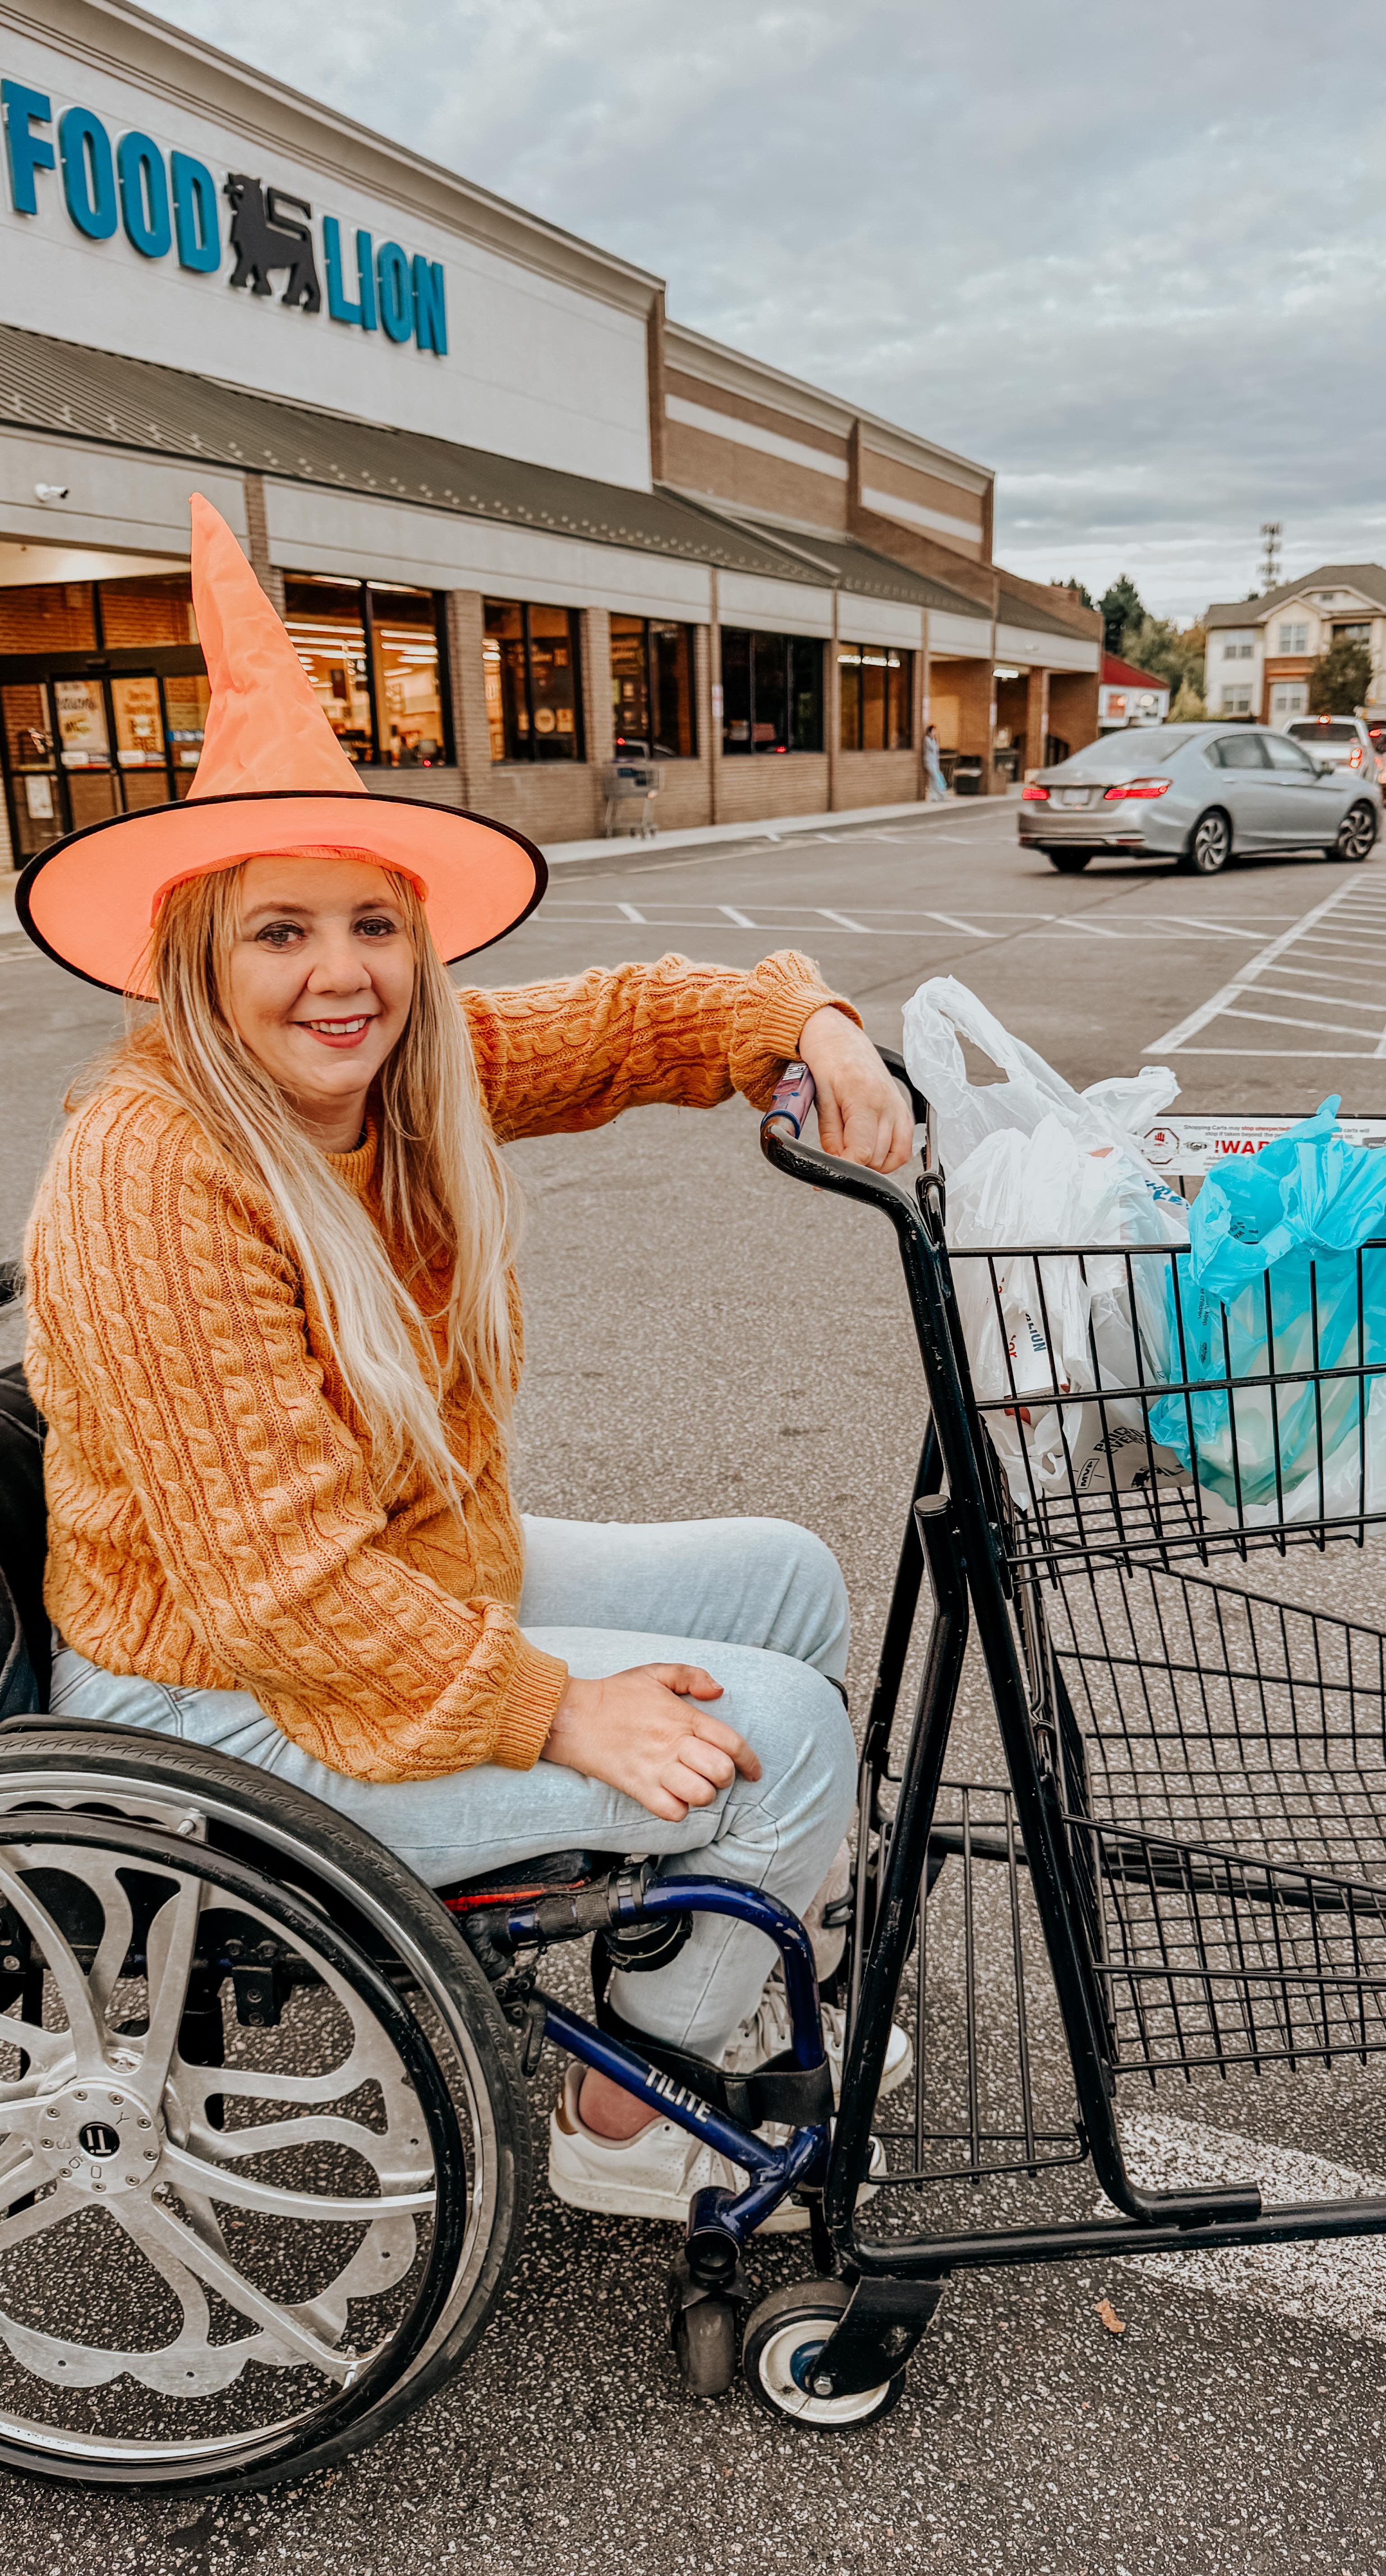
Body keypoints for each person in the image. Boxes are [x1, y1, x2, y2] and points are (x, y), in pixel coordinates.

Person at [20, 497, 914, 2227]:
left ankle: (686, 1944)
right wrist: (557, 1709)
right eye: (279, 931)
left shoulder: (386, 1071)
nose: (341, 972)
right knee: (786, 1734)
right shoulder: (155, 1168)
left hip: (381, 1590)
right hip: (215, 1692)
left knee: (790, 1582)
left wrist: (801, 1022)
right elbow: (284, 1589)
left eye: (373, 922)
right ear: (197, 958)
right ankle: (631, 2118)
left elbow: (621, 1021)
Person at [922, 722, 949, 802]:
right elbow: (933, 749)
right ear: (930, 731)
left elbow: (937, 750)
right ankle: (941, 795)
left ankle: (933, 797)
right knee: (936, 779)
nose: (935, 732)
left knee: (933, 780)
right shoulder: (927, 740)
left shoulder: (934, 740)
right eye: (933, 731)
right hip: (929, 762)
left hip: (935, 763)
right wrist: (933, 738)